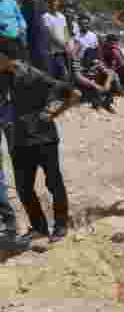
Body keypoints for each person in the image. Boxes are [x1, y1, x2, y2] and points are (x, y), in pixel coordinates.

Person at [0, 37, 82, 244]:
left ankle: (61, 225)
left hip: (43, 139)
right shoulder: (3, 76)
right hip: (19, 140)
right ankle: (39, 227)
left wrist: (53, 113)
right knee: (23, 188)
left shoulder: (32, 75)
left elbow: (73, 94)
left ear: (5, 57)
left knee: (53, 182)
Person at [42, 0, 72, 81]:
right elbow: (50, 35)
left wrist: (68, 44)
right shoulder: (45, 17)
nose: (53, 3)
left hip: (65, 51)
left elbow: (65, 31)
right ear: (47, 3)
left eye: (55, 1)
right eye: (50, 1)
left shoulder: (62, 16)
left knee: (68, 75)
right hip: (55, 52)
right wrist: (63, 45)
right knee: (63, 74)